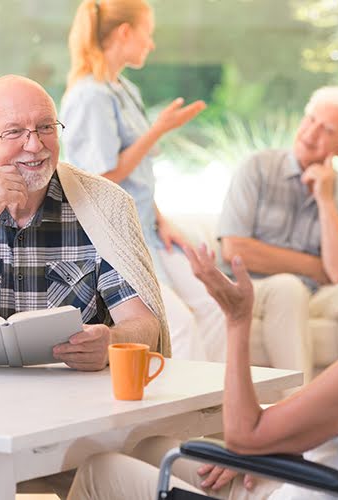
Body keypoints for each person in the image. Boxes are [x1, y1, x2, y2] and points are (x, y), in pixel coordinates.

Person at [65, 191, 338, 499]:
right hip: (319, 483)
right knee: (150, 447)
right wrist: (272, 450)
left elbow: (245, 437)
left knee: (99, 470)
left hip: (311, 493)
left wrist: (237, 320)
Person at [0, 74, 170, 499]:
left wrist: (111, 341)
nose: (35, 144)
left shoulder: (104, 206)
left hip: (78, 428)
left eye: (45, 127)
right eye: (14, 132)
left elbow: (145, 326)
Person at [60, 0, 217, 360]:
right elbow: (101, 178)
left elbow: (138, 174)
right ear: (125, 32)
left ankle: (218, 404)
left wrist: (162, 220)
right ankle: (183, 408)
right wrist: (159, 129)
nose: (151, 43)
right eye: (149, 33)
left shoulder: (124, 89)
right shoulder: (89, 96)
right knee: (177, 324)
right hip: (119, 236)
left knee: (214, 305)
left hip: (148, 227)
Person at [215, 86, 338, 383]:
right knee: (288, 288)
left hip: (314, 294)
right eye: (310, 118)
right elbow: (235, 250)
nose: (310, 132)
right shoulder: (258, 168)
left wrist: (326, 200)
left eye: (327, 129)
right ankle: (298, 409)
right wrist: (315, 267)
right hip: (254, 289)